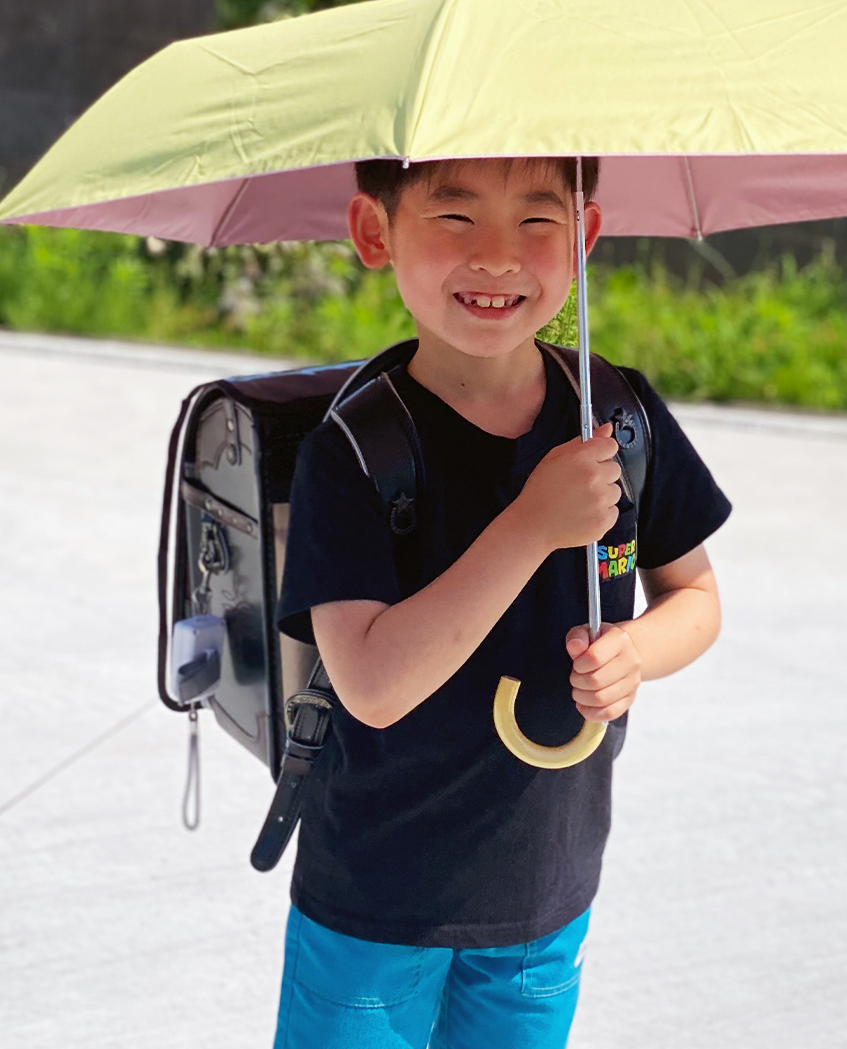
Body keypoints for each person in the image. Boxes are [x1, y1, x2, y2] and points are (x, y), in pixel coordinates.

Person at [273, 154, 732, 1048]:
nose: (497, 258)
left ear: (584, 239)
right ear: (376, 232)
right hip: (376, 899)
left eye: (536, 222)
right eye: (454, 219)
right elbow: (371, 682)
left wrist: (639, 652)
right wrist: (533, 524)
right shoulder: (358, 446)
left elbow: (696, 594)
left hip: (543, 893)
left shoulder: (619, 417)